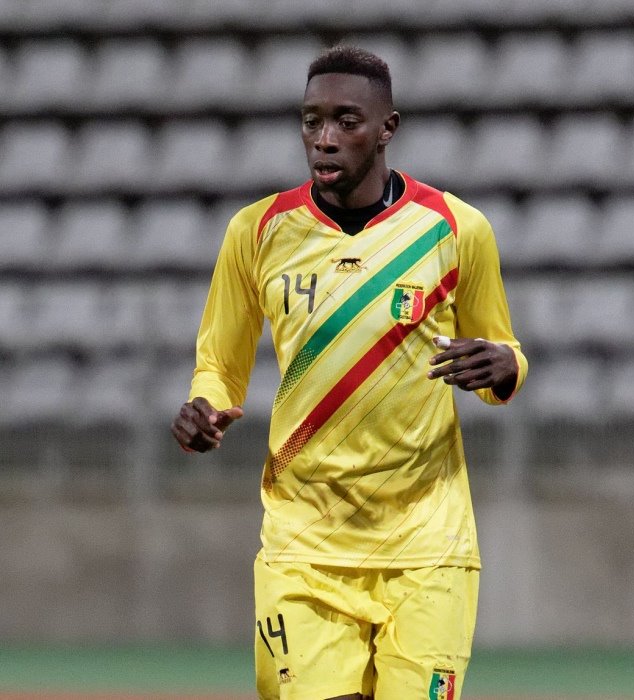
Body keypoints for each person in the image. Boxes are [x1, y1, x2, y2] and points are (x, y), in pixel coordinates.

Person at [171, 45, 527, 700]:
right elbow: (220, 362)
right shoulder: (257, 232)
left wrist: (505, 367)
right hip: (304, 545)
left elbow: (497, 353)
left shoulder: (455, 229)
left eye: (346, 121)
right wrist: (204, 405)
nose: (324, 138)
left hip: (428, 546)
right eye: (311, 121)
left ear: (387, 128)